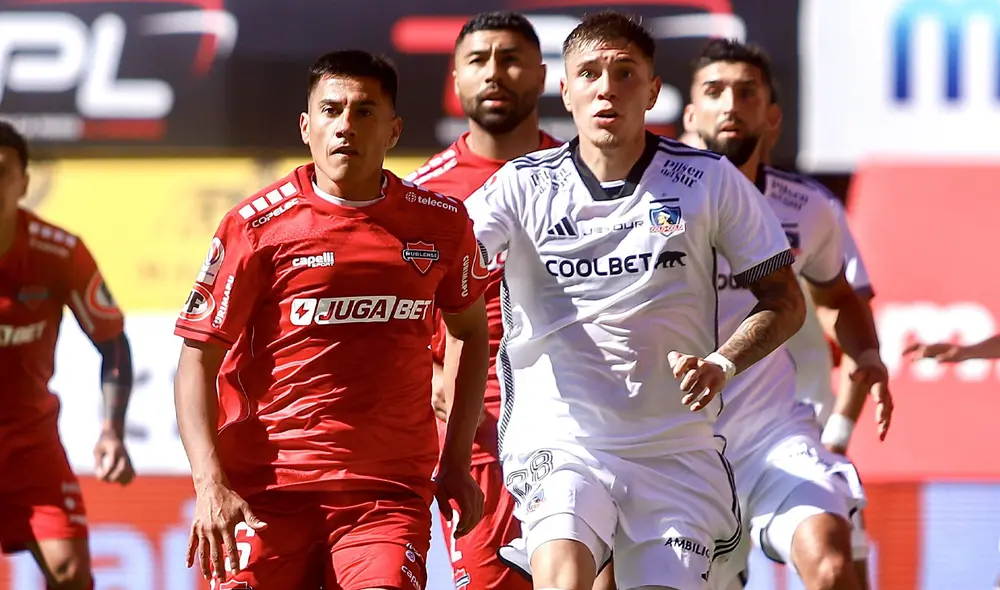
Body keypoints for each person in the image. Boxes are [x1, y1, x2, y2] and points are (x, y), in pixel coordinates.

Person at [468, 12, 809, 590]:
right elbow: (445, 275)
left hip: (674, 450)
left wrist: (722, 363)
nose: (607, 88)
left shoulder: (709, 180)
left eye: (625, 73)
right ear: (565, 90)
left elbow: (786, 301)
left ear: (652, 91)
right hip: (561, 439)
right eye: (590, 73)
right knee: (563, 576)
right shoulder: (520, 185)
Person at [172, 50, 491, 589]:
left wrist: (456, 457)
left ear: (393, 130)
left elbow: (472, 333)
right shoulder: (255, 227)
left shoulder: (441, 223)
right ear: (306, 125)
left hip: (384, 494)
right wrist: (210, 484)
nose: (346, 126)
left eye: (364, 112)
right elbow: (196, 359)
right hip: (265, 493)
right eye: (331, 110)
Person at [682, 39, 893, 590]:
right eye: (714, 91)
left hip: (774, 434)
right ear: (688, 114)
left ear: (772, 117)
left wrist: (867, 355)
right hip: (673, 445)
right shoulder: (648, 203)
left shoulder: (809, 208)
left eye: (747, 92)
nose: (730, 104)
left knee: (832, 564)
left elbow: (841, 300)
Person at [405, 11, 560, 590]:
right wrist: (429, 376)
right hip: (479, 432)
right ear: (456, 79)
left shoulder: (583, 178)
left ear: (543, 76)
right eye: (478, 60)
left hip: (581, 425)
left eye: (512, 59)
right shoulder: (422, 195)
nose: (495, 73)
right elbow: (395, 312)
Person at [0, 120, 136, 590]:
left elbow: (112, 341)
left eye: (1, 172)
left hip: (30, 446)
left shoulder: (59, 252)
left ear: (24, 182)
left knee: (71, 574)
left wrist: (111, 432)